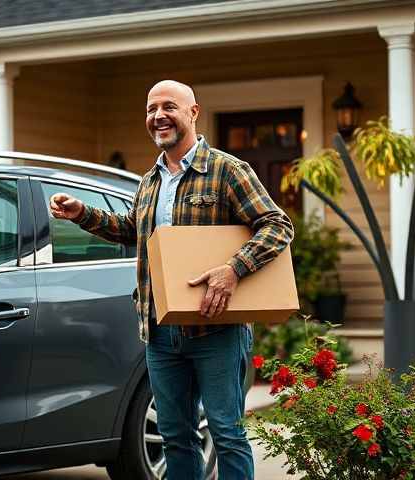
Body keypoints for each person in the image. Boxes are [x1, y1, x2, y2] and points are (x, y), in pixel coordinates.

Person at [49, 80, 293, 480]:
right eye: (150, 109)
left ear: (193, 112)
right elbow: (132, 229)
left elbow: (277, 225)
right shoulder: (149, 181)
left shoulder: (228, 170)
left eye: (168, 107)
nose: (157, 116)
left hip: (216, 330)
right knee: (176, 435)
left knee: (226, 433)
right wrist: (81, 213)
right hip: (160, 332)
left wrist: (234, 270)